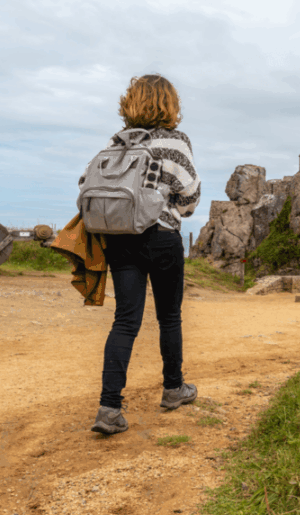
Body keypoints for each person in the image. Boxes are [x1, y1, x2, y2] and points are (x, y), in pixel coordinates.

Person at [87, 74, 201, 435]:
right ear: (170, 104)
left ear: (130, 101)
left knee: (125, 321)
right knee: (169, 317)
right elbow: (190, 197)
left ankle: (109, 408)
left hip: (120, 240)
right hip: (162, 237)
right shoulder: (176, 142)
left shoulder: (116, 142)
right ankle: (173, 389)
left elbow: (88, 184)